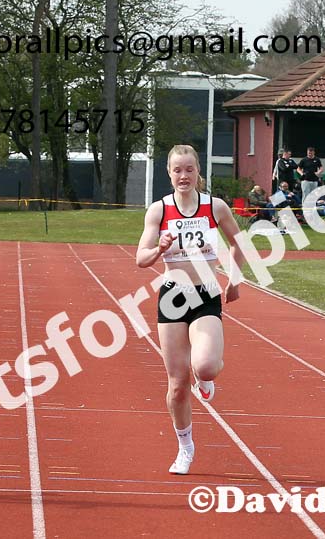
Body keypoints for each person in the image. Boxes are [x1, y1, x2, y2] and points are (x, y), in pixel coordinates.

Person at [136, 144, 246, 475]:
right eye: (177, 170)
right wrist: (160, 248)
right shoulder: (159, 210)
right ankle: (185, 447)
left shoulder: (216, 207)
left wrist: (234, 280)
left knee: (207, 367)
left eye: (189, 169)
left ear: (199, 171)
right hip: (172, 297)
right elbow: (140, 259)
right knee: (176, 384)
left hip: (206, 293)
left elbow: (240, 243)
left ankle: (206, 377)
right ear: (169, 174)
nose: (183, 176)